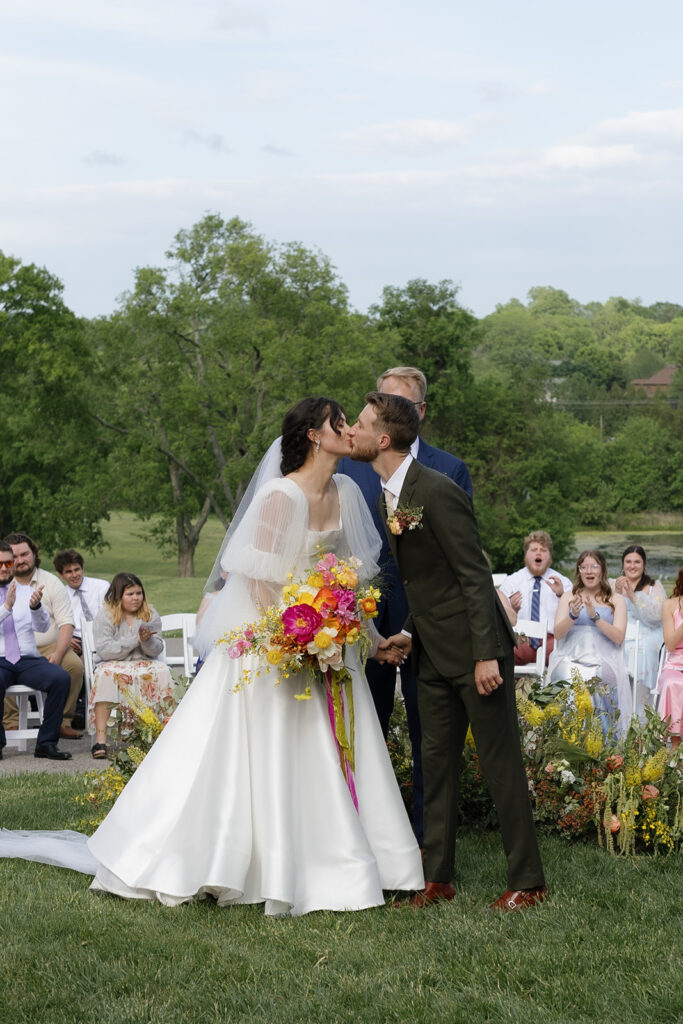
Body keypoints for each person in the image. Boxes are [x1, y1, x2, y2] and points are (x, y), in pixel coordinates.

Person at [7, 395, 423, 915]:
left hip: (324, 647)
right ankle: (241, 861)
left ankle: (359, 861)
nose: (349, 430)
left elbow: (348, 580)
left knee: (336, 748)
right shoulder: (279, 496)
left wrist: (359, 633)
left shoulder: (345, 491)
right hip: (274, 648)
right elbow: (260, 582)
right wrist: (299, 638)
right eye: (339, 423)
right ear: (315, 435)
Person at [348, 391, 547, 912]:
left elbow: (473, 574)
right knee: (433, 765)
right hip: (430, 654)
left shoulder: (435, 491)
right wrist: (410, 632)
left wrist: (486, 654)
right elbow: (426, 581)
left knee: (500, 765)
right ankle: (437, 879)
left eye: (362, 424)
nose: (354, 431)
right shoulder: (386, 496)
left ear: (384, 439)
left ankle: (528, 881)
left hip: (476, 654)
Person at [338, 366, 472, 845]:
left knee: (427, 730)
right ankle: (363, 828)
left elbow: (456, 557)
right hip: (362, 617)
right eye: (381, 400)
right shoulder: (350, 463)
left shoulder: (448, 469)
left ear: (418, 413)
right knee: (363, 722)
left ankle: (424, 836)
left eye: (399, 403)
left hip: (426, 620)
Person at [4, 533, 83, 740]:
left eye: (25, 554)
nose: (20, 560)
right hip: (12, 648)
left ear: (33, 553)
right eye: (14, 556)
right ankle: (10, 722)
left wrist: (58, 653)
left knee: (73, 666)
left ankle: (62, 721)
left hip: (49, 645)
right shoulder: (4, 583)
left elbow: (66, 622)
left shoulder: (51, 582)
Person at [88, 573, 174, 759]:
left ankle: (166, 731)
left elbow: (157, 648)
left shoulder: (149, 614)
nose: (136, 598)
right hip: (112, 662)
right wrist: (135, 640)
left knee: (162, 671)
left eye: (139, 593)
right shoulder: (105, 616)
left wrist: (147, 641)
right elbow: (106, 650)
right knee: (106, 675)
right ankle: (100, 739)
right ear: (118, 596)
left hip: (144, 662)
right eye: (130, 594)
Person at [549, 550, 630, 734]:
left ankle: (600, 739)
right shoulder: (569, 596)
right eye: (584, 567)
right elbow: (558, 634)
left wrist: (596, 618)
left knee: (599, 678)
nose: (589, 571)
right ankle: (568, 736)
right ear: (579, 571)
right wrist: (573, 615)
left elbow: (618, 637)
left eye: (594, 566)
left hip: (605, 658)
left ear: (602, 570)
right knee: (566, 676)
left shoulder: (616, 600)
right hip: (570, 656)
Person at [54, 549, 110, 729]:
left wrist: (90, 643)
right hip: (74, 637)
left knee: (85, 660)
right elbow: (54, 622)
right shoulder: (60, 594)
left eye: (77, 569)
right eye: (68, 572)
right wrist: (65, 638)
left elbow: (109, 617)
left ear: (82, 568)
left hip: (99, 635)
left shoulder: (101, 587)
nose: (74, 575)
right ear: (61, 575)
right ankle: (74, 709)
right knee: (71, 661)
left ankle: (81, 708)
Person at [498, 531, 572, 667]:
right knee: (504, 655)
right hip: (521, 640)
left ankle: (556, 688)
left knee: (565, 660)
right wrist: (513, 609)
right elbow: (499, 615)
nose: (538, 553)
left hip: (552, 641)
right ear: (526, 555)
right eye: (533, 550)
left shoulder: (563, 582)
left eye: (543, 550)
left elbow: (575, 614)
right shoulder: (512, 582)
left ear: (550, 556)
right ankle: (512, 688)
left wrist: (562, 595)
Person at [611, 545, 665, 717]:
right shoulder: (613, 584)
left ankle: (641, 711)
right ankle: (616, 710)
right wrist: (618, 593)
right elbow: (604, 612)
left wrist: (633, 597)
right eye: (628, 562)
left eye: (637, 562)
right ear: (622, 563)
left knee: (642, 649)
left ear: (644, 564)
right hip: (620, 632)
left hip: (646, 632)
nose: (632, 566)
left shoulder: (654, 586)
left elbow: (657, 615)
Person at [657, 566, 683, 749]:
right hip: (675, 662)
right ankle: (674, 747)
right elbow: (671, 644)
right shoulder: (670, 605)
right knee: (673, 684)